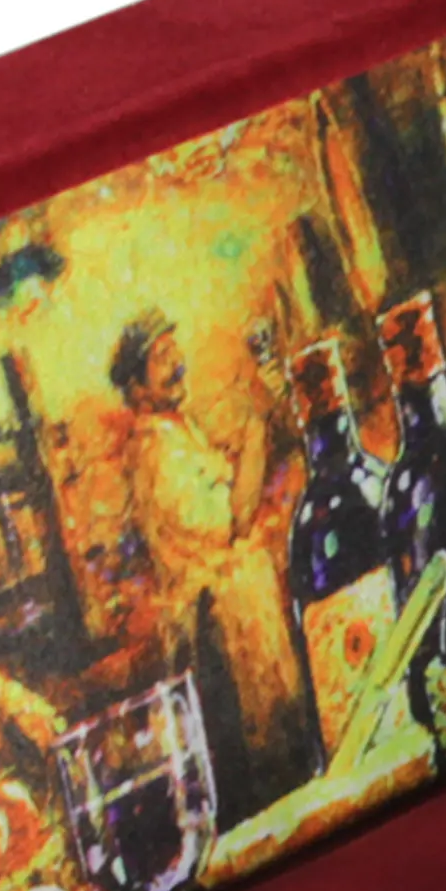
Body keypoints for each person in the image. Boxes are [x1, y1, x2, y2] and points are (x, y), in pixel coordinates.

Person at [110, 311, 314, 810]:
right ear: (137, 388)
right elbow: (233, 519)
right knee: (269, 784)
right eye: (162, 358)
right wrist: (257, 425)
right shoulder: (158, 456)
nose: (177, 363)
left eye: (174, 351)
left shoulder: (178, 435)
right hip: (218, 639)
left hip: (240, 627)